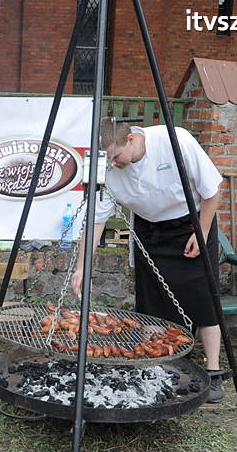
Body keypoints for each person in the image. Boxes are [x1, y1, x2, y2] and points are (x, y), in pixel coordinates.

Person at [71, 117, 225, 403]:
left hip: (190, 225)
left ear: (130, 139)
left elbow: (212, 190)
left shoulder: (174, 140)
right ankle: (157, 368)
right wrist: (82, 267)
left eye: (116, 156)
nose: (114, 164)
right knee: (153, 303)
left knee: (204, 299)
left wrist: (201, 232)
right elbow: (95, 222)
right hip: (150, 231)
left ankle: (214, 372)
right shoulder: (109, 167)